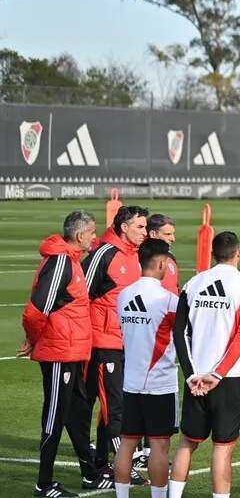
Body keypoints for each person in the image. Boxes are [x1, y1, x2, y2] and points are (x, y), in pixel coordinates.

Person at [164, 231, 240, 498]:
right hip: (227, 381)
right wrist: (217, 374)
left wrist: (193, 374)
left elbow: (179, 333)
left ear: (214, 253)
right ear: (238, 253)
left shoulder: (192, 284)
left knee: (186, 444)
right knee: (222, 449)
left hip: (195, 380)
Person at [19, 210, 98, 498]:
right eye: (91, 232)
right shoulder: (61, 262)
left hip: (72, 351)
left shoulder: (72, 261)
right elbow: (36, 310)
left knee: (76, 414)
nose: (94, 236)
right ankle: (44, 482)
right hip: (59, 354)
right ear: (79, 236)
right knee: (55, 416)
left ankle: (90, 474)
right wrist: (33, 337)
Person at [71, 204, 148, 483]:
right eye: (140, 227)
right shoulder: (104, 253)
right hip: (101, 343)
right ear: (124, 227)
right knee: (113, 406)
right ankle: (119, 467)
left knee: (109, 406)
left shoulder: (137, 255)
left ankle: (101, 464)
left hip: (123, 342)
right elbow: (80, 295)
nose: (144, 232)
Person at [113, 238, 178, 498]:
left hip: (131, 382)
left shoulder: (123, 295)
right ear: (163, 263)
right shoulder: (169, 301)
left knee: (127, 443)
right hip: (160, 383)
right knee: (159, 446)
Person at [147, 214, 180, 295]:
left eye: (173, 234)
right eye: (168, 234)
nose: (173, 239)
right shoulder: (139, 259)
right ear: (153, 234)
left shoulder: (170, 256)